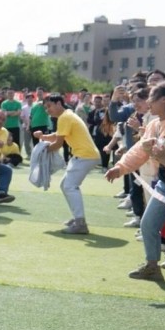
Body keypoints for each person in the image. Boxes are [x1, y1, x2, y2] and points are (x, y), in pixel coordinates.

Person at [105, 81, 165, 278]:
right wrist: (120, 167)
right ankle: (152, 265)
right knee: (148, 224)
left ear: (164, 99)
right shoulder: (154, 124)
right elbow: (140, 150)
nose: (148, 102)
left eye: (151, 98)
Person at [35, 94, 100, 234]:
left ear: (58, 103)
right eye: (46, 107)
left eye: (49, 106)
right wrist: (43, 137)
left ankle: (80, 223)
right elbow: (58, 135)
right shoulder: (67, 115)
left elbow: (58, 144)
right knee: (66, 185)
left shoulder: (64, 117)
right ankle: (78, 219)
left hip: (84, 155)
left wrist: (42, 152)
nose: (47, 110)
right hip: (85, 155)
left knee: (69, 186)